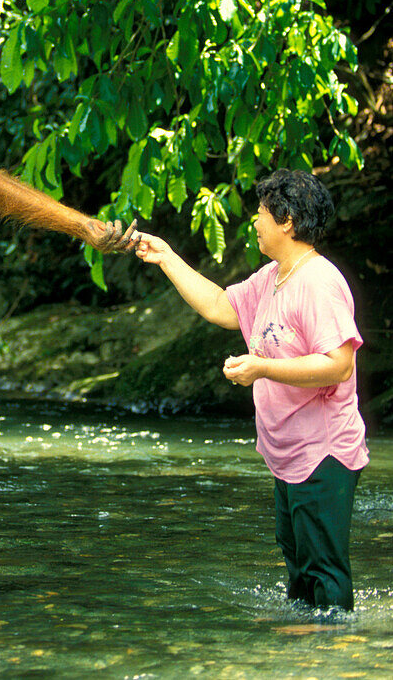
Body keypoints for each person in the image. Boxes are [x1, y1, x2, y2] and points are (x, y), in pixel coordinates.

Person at [134, 168, 368, 613]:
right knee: (298, 565)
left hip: (324, 451)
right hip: (288, 453)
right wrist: (166, 256)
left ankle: (340, 652)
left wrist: (262, 366)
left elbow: (339, 365)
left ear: (287, 222)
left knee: (324, 568)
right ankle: (306, 652)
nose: (255, 222)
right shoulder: (273, 276)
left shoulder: (320, 282)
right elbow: (222, 306)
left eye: (261, 213)